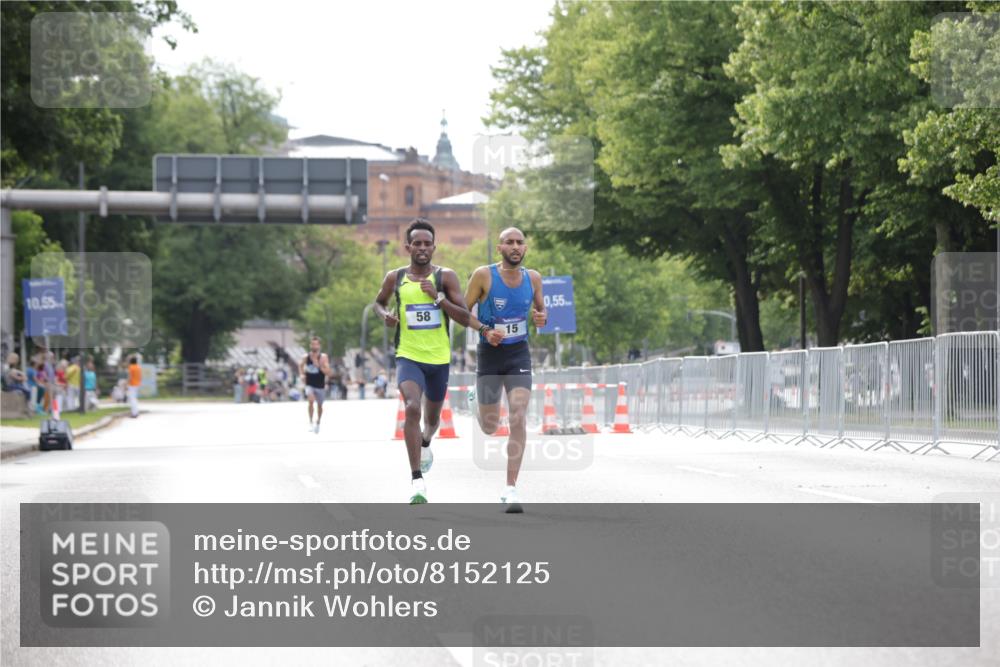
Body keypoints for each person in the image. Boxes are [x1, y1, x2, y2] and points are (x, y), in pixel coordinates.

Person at [372, 218, 489, 504]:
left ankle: (425, 442)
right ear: (407, 246)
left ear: (434, 247)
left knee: (432, 420)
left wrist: (437, 299)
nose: (422, 248)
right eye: (417, 243)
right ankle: (416, 480)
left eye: (427, 244)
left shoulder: (445, 277)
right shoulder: (395, 278)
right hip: (408, 356)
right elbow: (378, 302)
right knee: (412, 407)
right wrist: (383, 316)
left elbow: (463, 316)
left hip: (439, 359)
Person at [464, 227, 546, 513]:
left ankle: (510, 488)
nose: (515, 246)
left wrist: (540, 318)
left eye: (519, 242)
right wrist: (485, 331)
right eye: (509, 242)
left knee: (518, 415)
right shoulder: (484, 275)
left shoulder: (533, 278)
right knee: (489, 427)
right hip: (490, 353)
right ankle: (477, 402)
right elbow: (463, 312)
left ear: (525, 248)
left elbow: (540, 313)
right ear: (499, 248)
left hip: (518, 353)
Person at [300, 336, 332, 433]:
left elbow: (328, 372)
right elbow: (300, 365)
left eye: (316, 344)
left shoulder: (323, 357)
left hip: (320, 384)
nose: (314, 346)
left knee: (319, 406)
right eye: (312, 344)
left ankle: (318, 422)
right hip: (309, 384)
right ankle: (310, 422)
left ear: (319, 346)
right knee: (310, 400)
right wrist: (302, 374)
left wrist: (318, 365)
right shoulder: (306, 357)